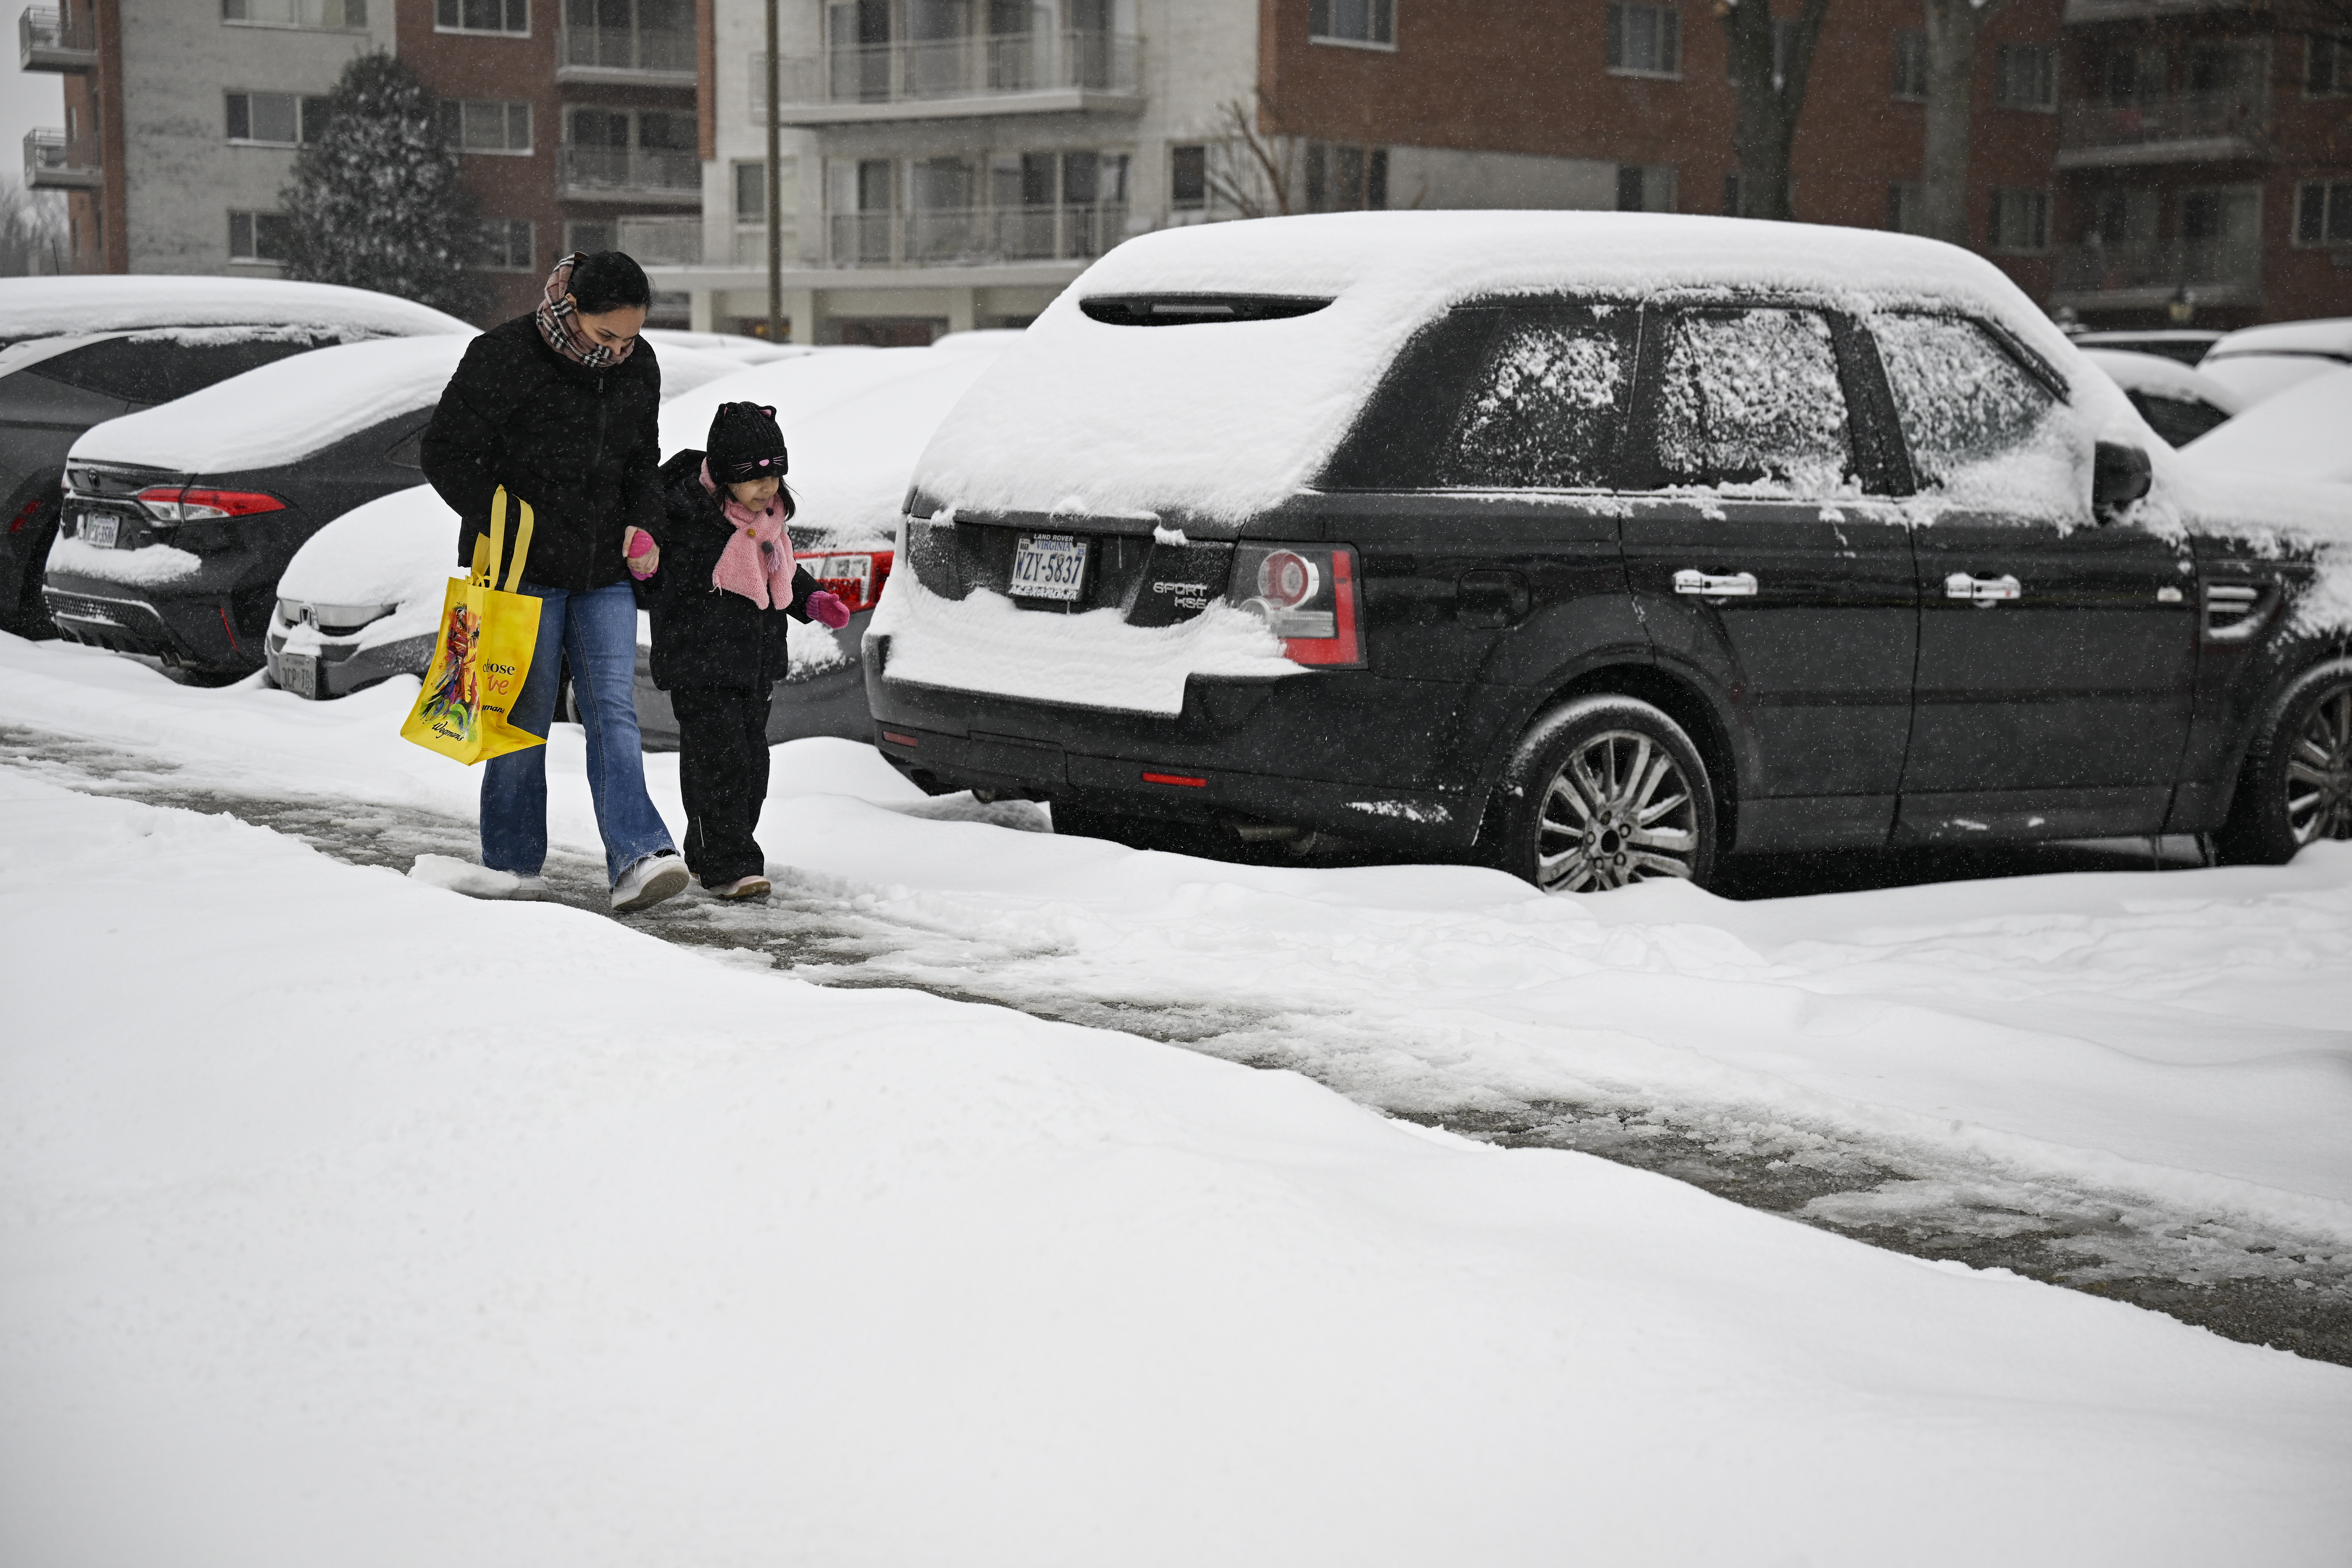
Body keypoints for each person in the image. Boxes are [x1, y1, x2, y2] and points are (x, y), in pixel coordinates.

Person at [419, 250, 689, 914]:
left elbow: (642, 460)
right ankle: (512, 863)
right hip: (520, 571)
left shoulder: (640, 366)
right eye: (607, 337)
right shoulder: (504, 355)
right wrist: (508, 518)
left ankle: (640, 855)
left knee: (615, 713)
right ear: (571, 310)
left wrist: (646, 523)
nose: (621, 351)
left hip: (605, 570)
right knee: (520, 716)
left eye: (632, 338)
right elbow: (445, 452)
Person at [629, 402, 851, 899]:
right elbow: (658, 586)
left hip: (755, 663)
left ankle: (714, 853)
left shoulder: (769, 519)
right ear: (727, 475)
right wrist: (647, 569)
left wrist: (813, 600)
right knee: (719, 763)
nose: (769, 489)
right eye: (756, 479)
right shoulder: (687, 515)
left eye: (776, 477)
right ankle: (730, 866)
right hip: (700, 663)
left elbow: (779, 573)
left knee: (752, 766)